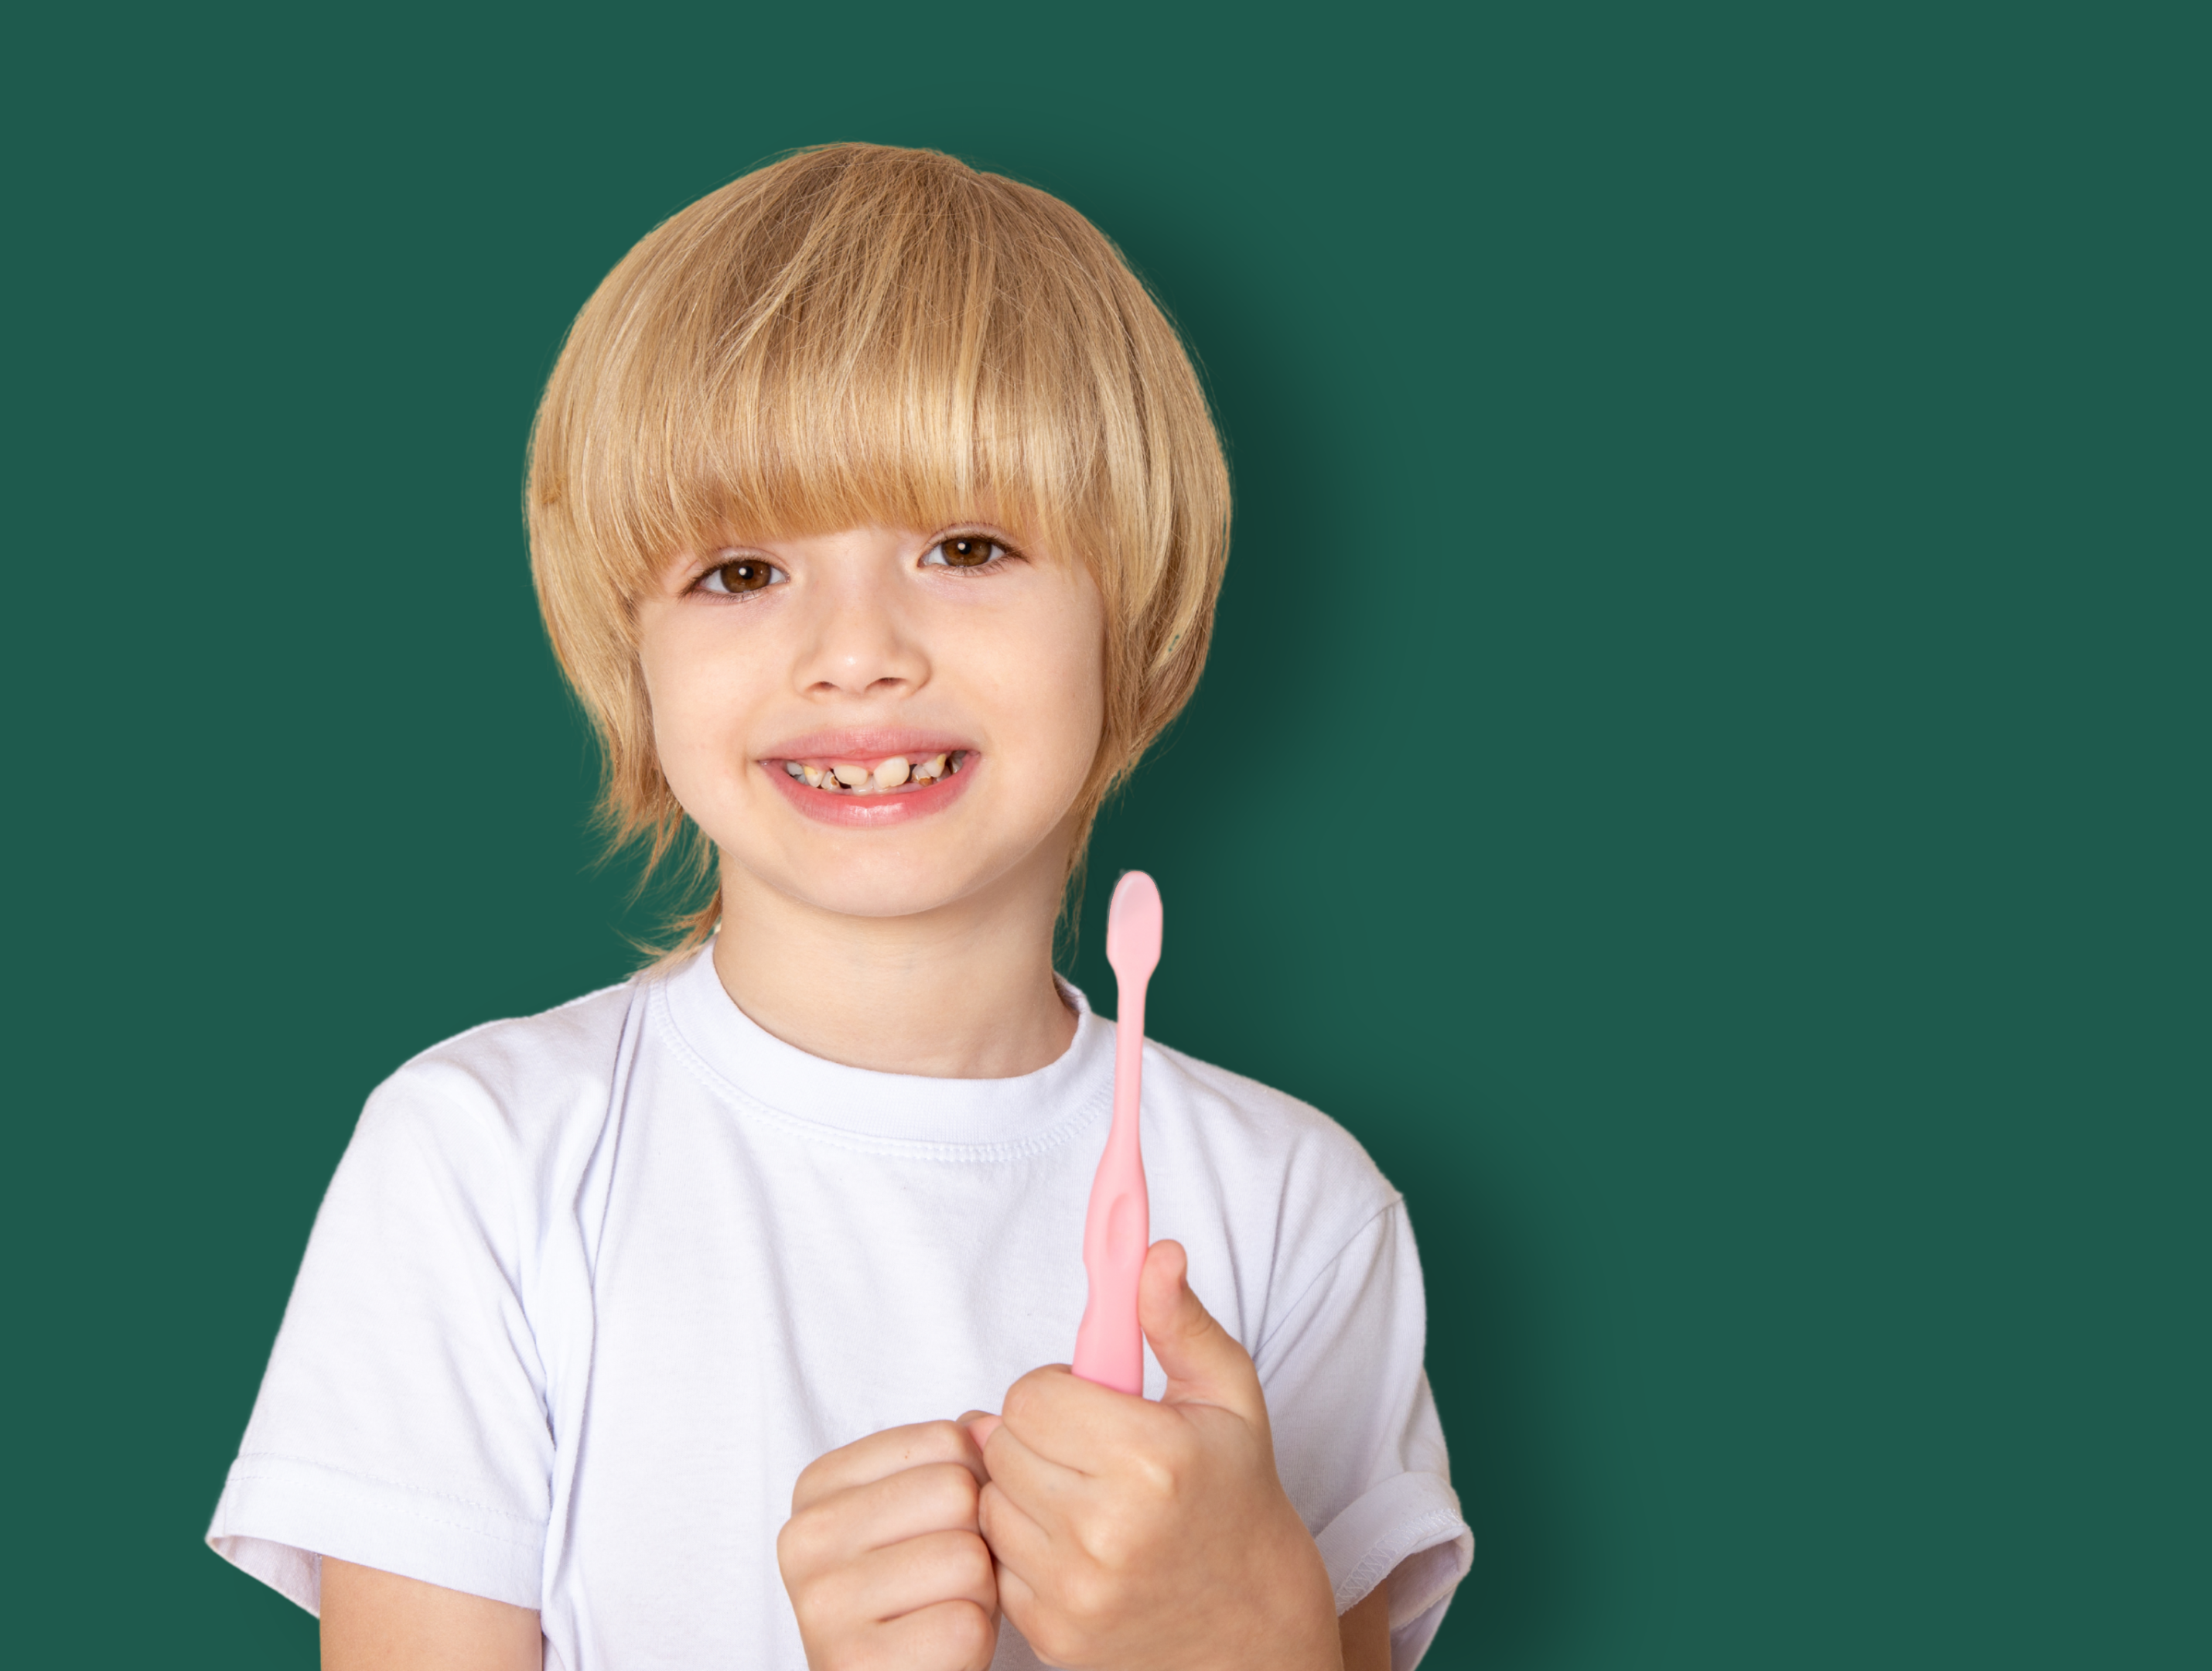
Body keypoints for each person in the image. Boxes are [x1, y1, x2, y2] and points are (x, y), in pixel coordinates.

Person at [205, 143, 1471, 1671]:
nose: (857, 652)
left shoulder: (1297, 1214)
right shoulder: (483, 1163)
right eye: (740, 571)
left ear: (1130, 614)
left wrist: (1252, 1643)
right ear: (636, 661)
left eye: (966, 547)